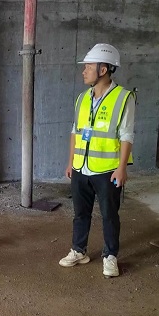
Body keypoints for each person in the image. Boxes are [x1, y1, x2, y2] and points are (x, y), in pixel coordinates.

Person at [59, 44, 135, 278]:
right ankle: (78, 250)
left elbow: (126, 135)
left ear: (103, 70)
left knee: (109, 215)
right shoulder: (82, 98)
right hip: (81, 167)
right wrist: (71, 162)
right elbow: (75, 131)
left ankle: (110, 256)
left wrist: (121, 169)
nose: (84, 71)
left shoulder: (123, 97)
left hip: (107, 170)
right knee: (80, 213)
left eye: (88, 67)